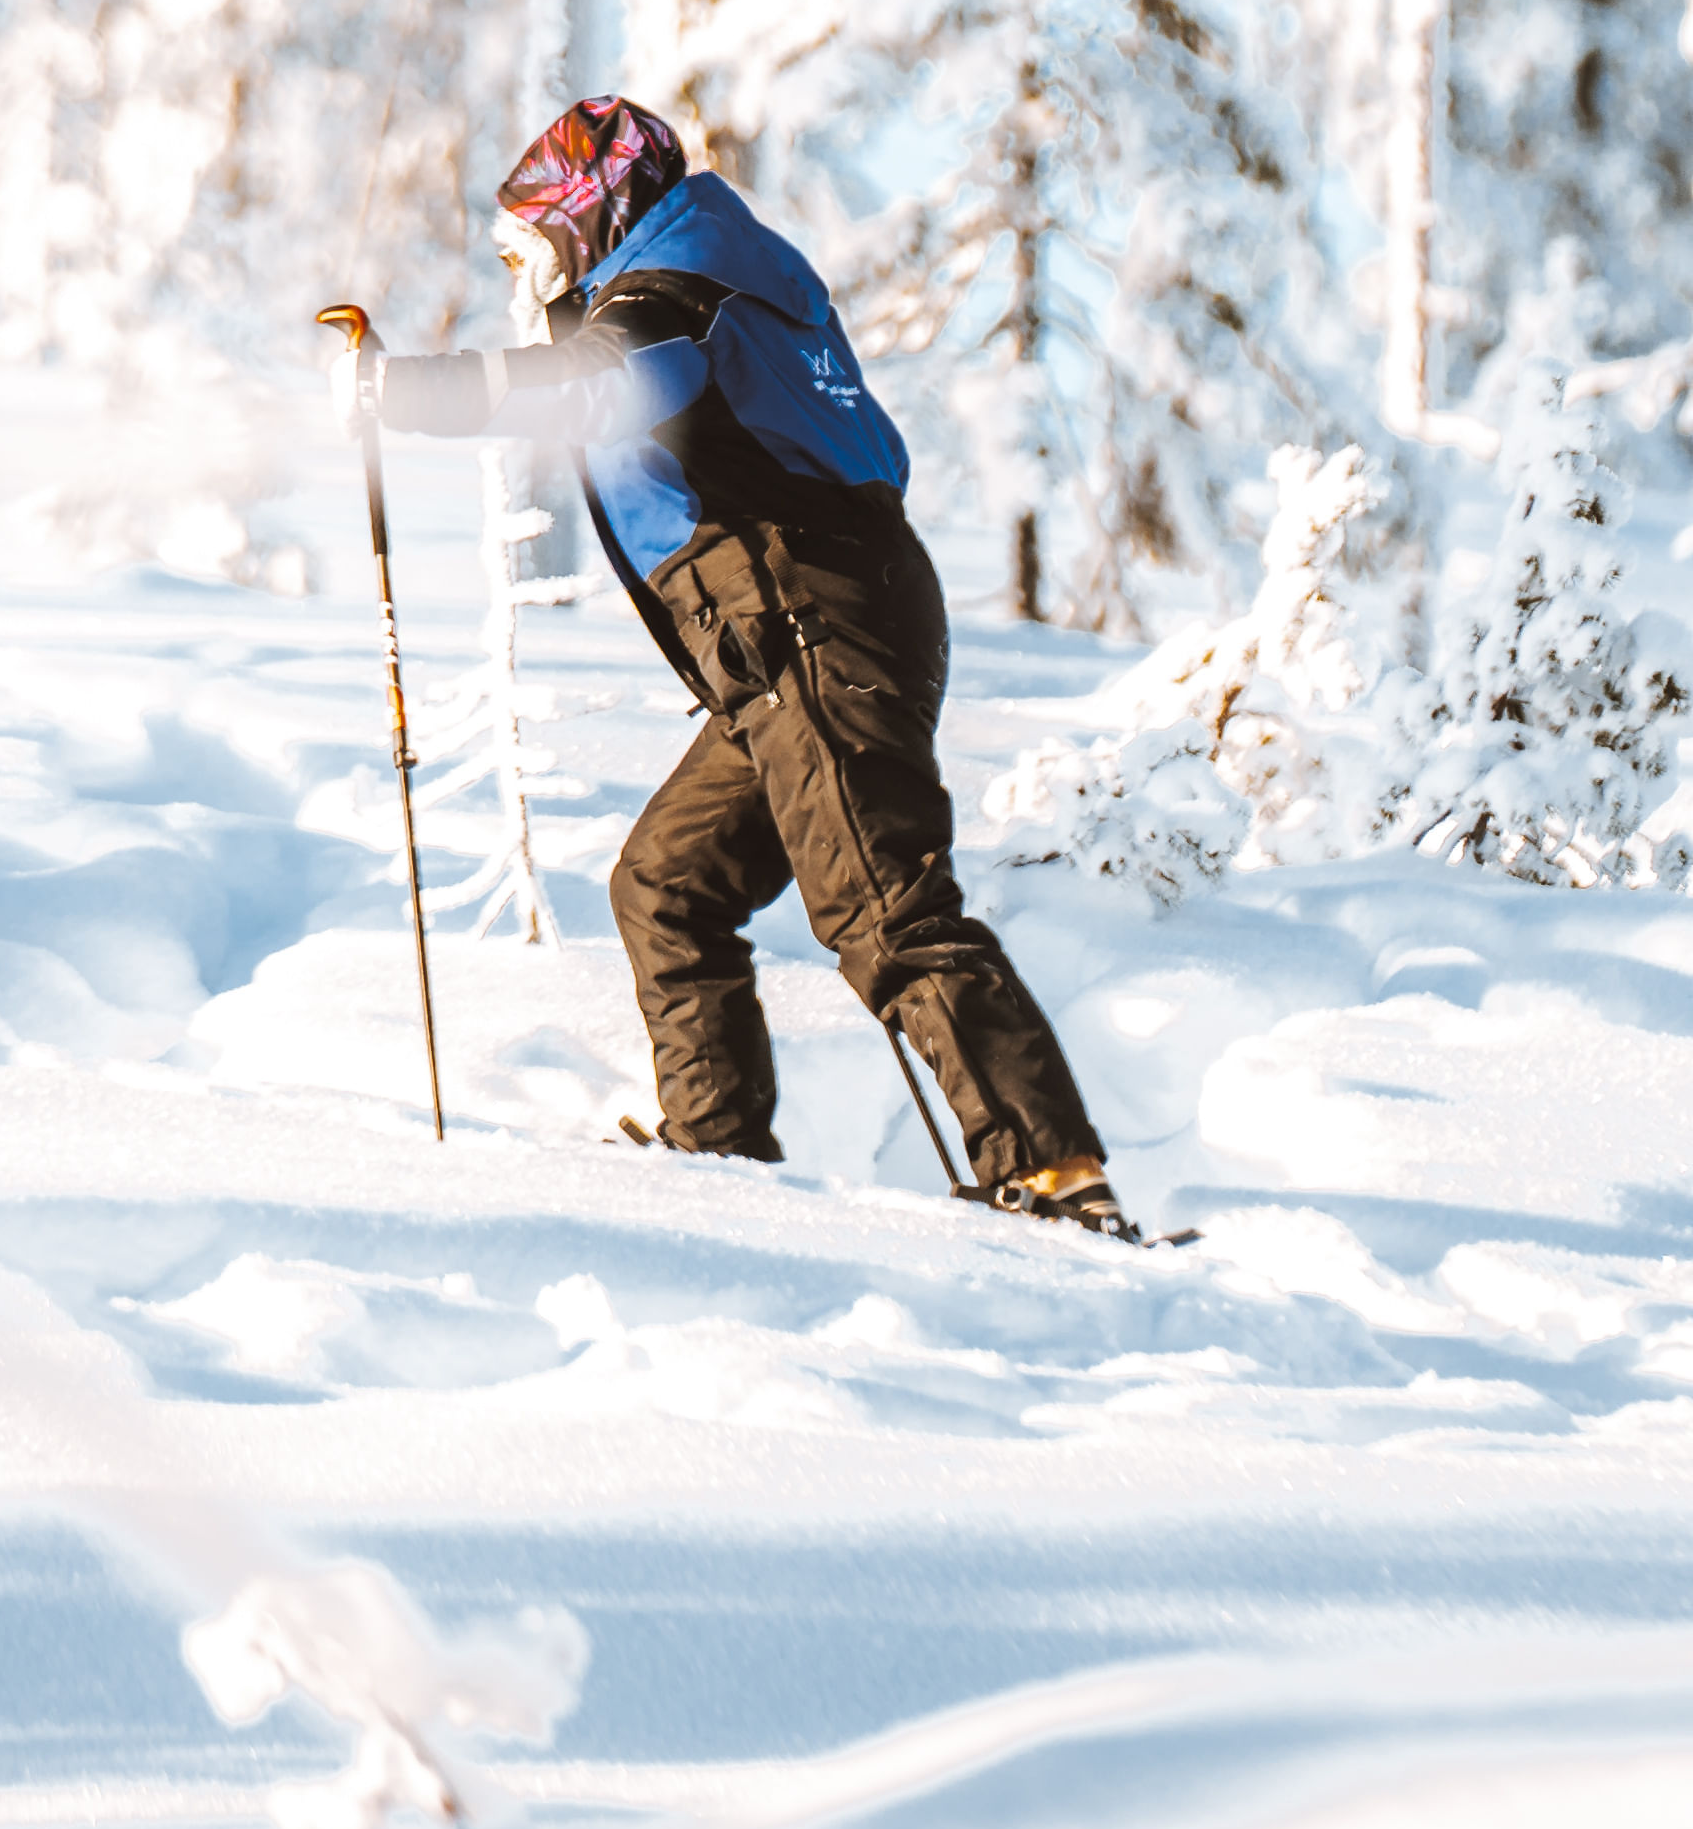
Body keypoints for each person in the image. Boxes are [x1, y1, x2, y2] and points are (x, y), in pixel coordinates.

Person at [359, 96, 1139, 1236]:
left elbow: (595, 384)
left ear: (590, 215)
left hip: (808, 624)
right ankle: (715, 1156)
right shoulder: (715, 272)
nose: (525, 277)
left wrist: (409, 391)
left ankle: (1054, 1176)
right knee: (667, 884)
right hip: (807, 631)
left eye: (531, 247)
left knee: (883, 906)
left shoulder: (668, 301)